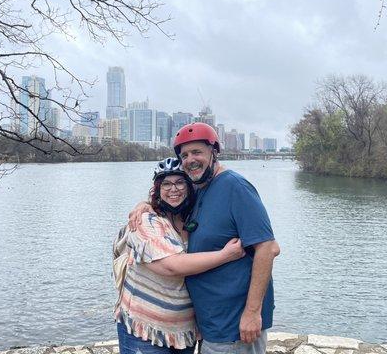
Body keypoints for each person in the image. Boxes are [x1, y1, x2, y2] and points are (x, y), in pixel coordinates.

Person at [129, 123, 280, 354]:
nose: (191, 159)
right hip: (210, 323)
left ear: (214, 152)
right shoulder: (199, 188)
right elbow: (172, 197)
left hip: (234, 325)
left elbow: (268, 248)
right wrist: (146, 204)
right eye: (185, 155)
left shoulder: (235, 187)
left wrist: (252, 313)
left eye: (197, 152)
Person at [114, 157, 245, 354]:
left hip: (184, 331)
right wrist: (226, 255)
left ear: (190, 186)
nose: (173, 189)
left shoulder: (196, 218)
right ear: (157, 189)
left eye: (179, 182)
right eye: (166, 183)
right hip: (144, 328)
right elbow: (171, 266)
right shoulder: (145, 221)